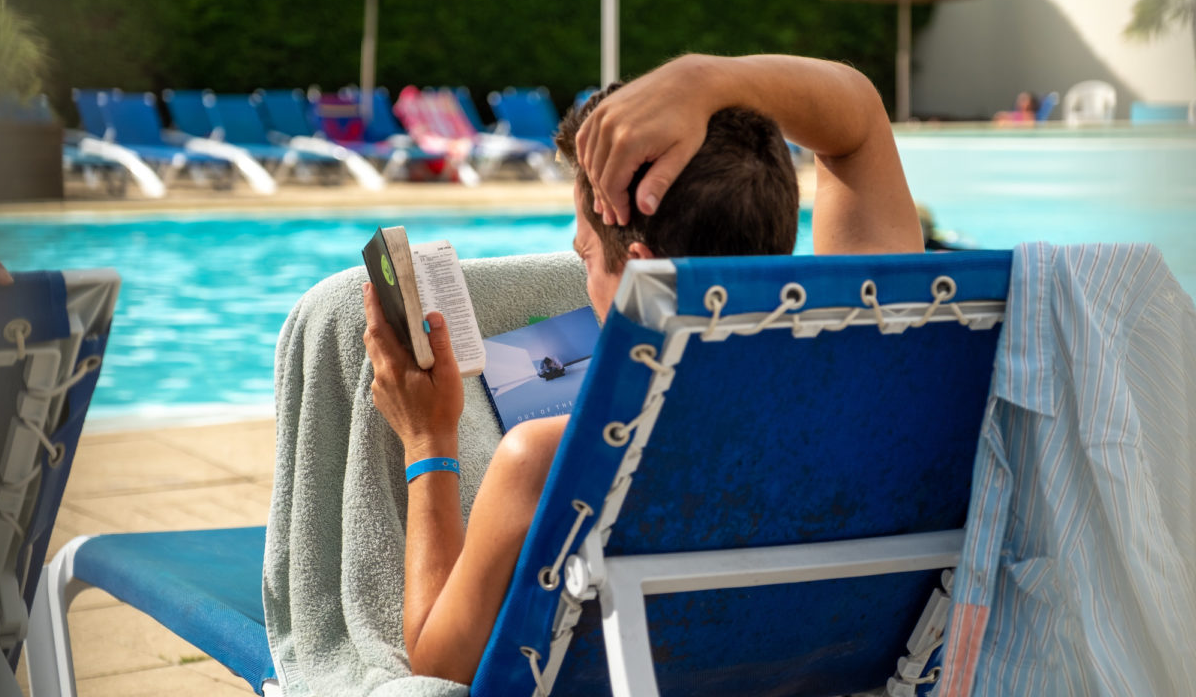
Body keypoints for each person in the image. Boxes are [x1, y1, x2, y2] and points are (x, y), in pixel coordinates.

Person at [361, 53, 923, 684]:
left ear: (636, 273)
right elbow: (859, 123)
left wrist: (428, 439)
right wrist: (708, 79)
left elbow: (440, 664)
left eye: (584, 255)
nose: (582, 271)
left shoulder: (544, 463)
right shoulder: (874, 370)